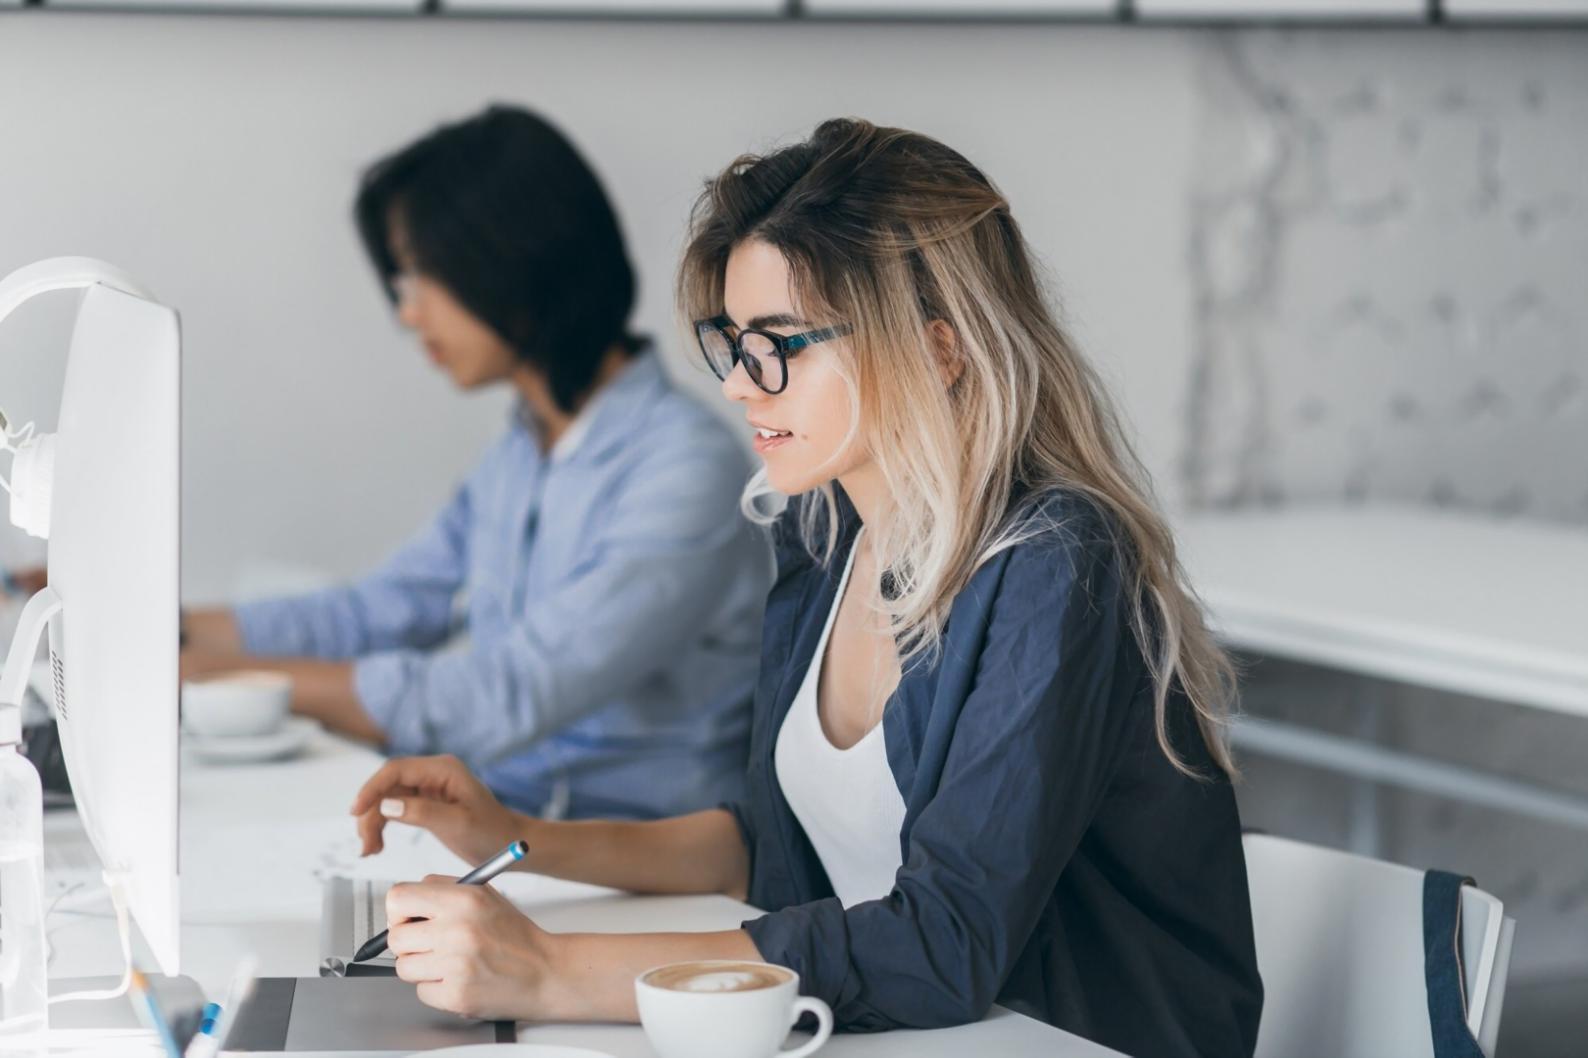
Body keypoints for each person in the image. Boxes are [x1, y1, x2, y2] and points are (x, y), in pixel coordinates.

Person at [346, 118, 1263, 1057]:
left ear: (939, 350)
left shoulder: (1057, 560)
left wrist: (549, 969)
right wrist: (520, 837)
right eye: (734, 344)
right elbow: (772, 846)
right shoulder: (823, 539)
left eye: (780, 343)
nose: (744, 385)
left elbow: (943, 943)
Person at [182, 106, 769, 821]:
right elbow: (380, 611)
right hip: (504, 834)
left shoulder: (687, 471)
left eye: (423, 276)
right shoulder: (522, 448)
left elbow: (503, 695)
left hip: (631, 869)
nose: (408, 314)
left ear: (513, 259)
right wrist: (160, 627)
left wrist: (214, 678)